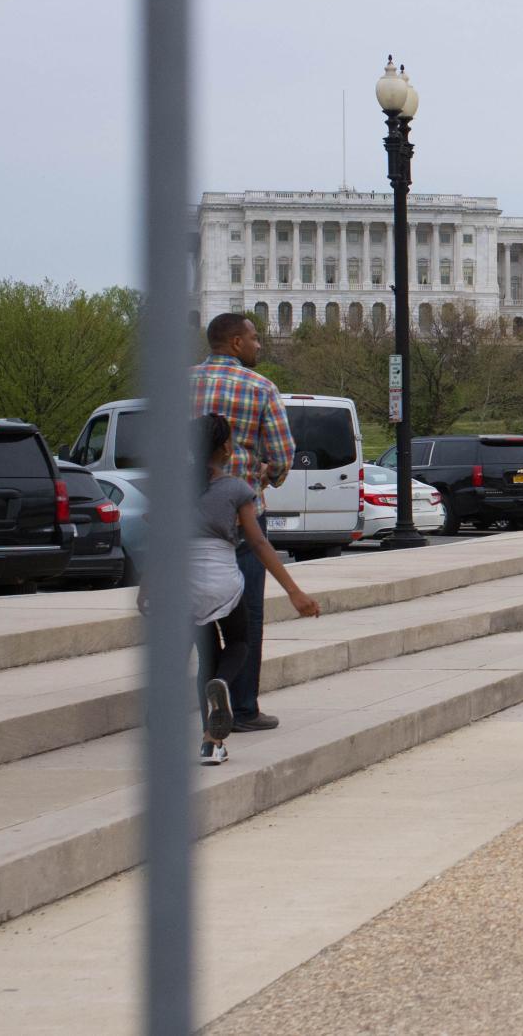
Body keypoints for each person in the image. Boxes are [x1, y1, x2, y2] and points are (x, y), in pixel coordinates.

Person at [190, 413, 319, 765]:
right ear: (227, 447)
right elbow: (259, 543)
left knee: (207, 656)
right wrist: (294, 591)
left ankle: (212, 744)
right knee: (240, 642)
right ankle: (217, 707)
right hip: (222, 580)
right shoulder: (234, 489)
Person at [191, 313, 294, 732]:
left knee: (195, 617)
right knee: (246, 615)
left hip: (187, 519)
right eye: (254, 338)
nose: (259, 345)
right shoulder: (261, 388)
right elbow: (283, 455)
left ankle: (206, 705)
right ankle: (244, 706)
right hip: (241, 516)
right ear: (235, 343)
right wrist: (266, 473)